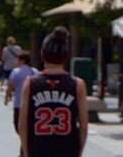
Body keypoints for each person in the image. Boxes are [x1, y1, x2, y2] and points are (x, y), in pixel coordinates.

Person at [19, 28, 86, 157]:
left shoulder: (30, 83)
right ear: (65, 56)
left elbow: (23, 123)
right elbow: (83, 125)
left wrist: (26, 153)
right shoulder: (77, 85)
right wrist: (79, 152)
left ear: (42, 54)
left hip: (38, 149)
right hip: (67, 149)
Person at [4, 52, 36, 135]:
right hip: (33, 105)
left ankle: (24, 143)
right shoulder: (35, 72)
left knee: (18, 126)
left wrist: (7, 97)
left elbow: (10, 86)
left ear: (22, 61)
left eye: (17, 60)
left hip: (19, 104)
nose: (16, 62)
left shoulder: (16, 72)